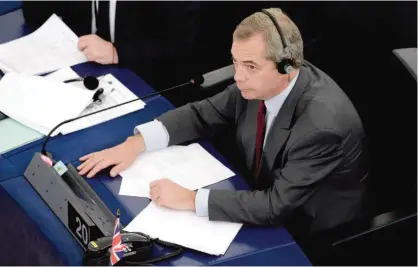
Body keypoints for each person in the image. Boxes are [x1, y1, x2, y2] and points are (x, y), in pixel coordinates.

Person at [77, 8, 369, 235]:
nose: (238, 76)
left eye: (250, 66)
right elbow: (201, 114)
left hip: (307, 229)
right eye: (235, 62)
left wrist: (191, 200)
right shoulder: (257, 83)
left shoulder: (321, 127)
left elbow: (274, 207)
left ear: (288, 67)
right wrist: (136, 142)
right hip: (256, 192)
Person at [21, 1, 200, 91]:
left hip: (145, 76)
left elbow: (184, 44)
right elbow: (35, 14)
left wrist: (117, 52)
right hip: (81, 63)